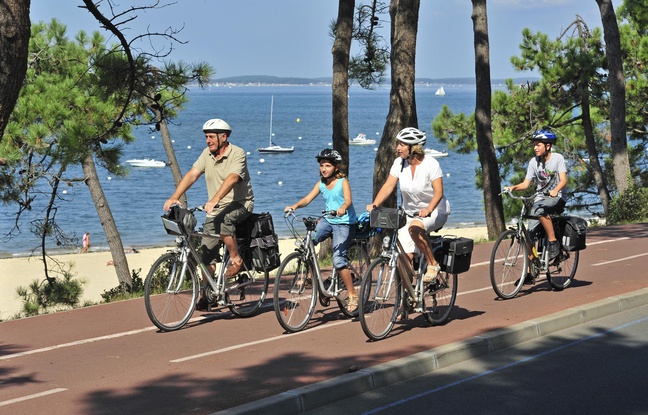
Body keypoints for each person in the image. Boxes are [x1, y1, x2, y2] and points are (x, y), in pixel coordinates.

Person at [163, 118, 254, 310]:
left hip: (240, 204)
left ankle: (236, 258)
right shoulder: (207, 154)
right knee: (205, 254)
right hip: (217, 209)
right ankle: (208, 292)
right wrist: (174, 196)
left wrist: (214, 200)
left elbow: (232, 178)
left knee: (226, 221)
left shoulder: (237, 153)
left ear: (224, 137)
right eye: (206, 137)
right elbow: (192, 174)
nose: (208, 140)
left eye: (211, 137)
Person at [367, 127, 450, 284]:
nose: (398, 148)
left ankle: (433, 264)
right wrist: (375, 204)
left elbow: (438, 192)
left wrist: (428, 210)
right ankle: (407, 298)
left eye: (402, 144)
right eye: (398, 144)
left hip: (435, 211)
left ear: (414, 147)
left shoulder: (431, 164)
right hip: (410, 215)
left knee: (415, 228)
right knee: (403, 258)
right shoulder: (399, 163)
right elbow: (388, 186)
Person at [284, 149, 360, 312]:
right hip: (327, 220)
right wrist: (295, 206)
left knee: (339, 260)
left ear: (336, 167)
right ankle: (313, 278)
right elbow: (308, 198)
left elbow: (348, 200)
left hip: (344, 222)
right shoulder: (321, 184)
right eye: (321, 166)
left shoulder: (342, 182)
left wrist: (343, 207)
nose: (324, 169)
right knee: (307, 245)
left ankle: (353, 294)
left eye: (327, 165)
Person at [504, 129, 568, 262]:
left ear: (548, 146)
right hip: (540, 199)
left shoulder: (558, 158)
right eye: (534, 145)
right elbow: (526, 184)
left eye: (538, 145)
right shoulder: (534, 162)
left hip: (557, 197)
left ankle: (552, 241)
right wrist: (513, 187)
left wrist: (555, 190)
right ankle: (529, 272)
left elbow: (563, 180)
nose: (535, 148)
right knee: (529, 235)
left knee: (539, 210)